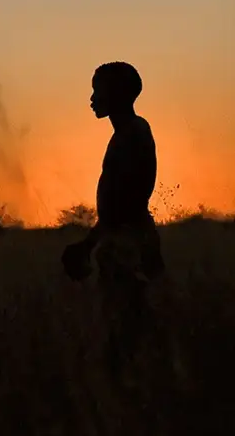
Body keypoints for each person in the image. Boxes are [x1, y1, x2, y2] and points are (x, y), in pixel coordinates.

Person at [61, 61, 165, 379]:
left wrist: (88, 244)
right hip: (125, 239)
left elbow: (126, 204)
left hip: (128, 244)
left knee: (125, 331)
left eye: (99, 90)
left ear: (119, 93)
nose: (92, 98)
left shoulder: (132, 134)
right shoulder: (128, 133)